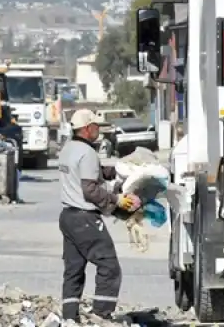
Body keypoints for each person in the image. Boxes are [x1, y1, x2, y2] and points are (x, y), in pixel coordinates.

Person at [57, 109, 141, 322]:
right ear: (86, 128)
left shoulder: (68, 149)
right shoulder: (87, 153)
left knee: (74, 270)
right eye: (96, 126)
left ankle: (69, 317)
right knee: (109, 267)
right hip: (85, 219)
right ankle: (101, 314)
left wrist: (120, 171)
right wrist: (117, 200)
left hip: (68, 217)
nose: (99, 130)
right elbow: (90, 190)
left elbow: (93, 172)